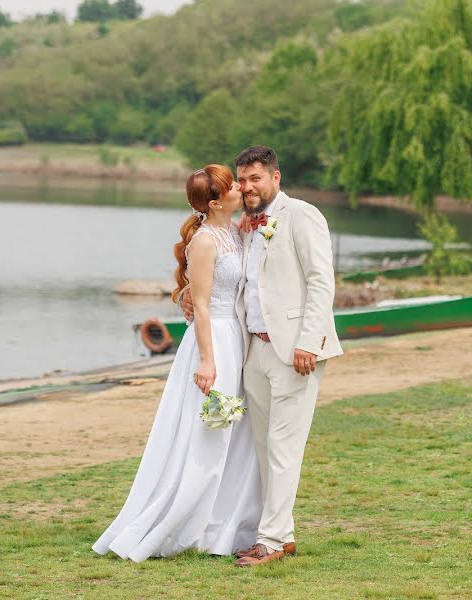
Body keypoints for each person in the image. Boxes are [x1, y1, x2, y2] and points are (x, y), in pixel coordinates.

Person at [182, 146, 343, 567]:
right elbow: (227, 278)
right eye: (243, 179)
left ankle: (269, 541)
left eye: (256, 178)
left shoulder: (302, 215)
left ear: (275, 177)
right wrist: (186, 296)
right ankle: (282, 535)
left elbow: (321, 282)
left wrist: (308, 341)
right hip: (253, 349)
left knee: (284, 448)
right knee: (262, 448)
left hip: (295, 350)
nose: (248, 186)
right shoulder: (246, 226)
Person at [92, 164, 262, 562]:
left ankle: (222, 523)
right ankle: (177, 522)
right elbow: (201, 305)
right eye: (232, 185)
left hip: (235, 337)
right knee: (208, 431)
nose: (241, 187)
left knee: (233, 434)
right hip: (213, 339)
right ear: (217, 201)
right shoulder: (205, 241)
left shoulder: (232, 231)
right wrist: (207, 361)